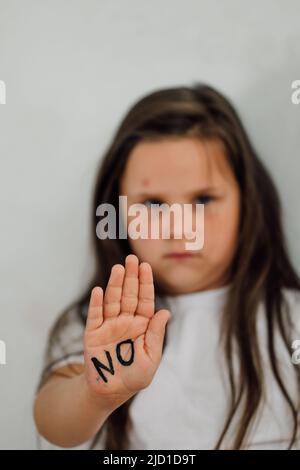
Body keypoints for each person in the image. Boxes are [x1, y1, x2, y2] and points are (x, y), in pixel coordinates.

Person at [33, 84, 300, 450]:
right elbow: (55, 422)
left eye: (203, 199)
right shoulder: (95, 324)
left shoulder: (291, 320)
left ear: (248, 202)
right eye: (154, 205)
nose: (179, 228)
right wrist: (95, 394)